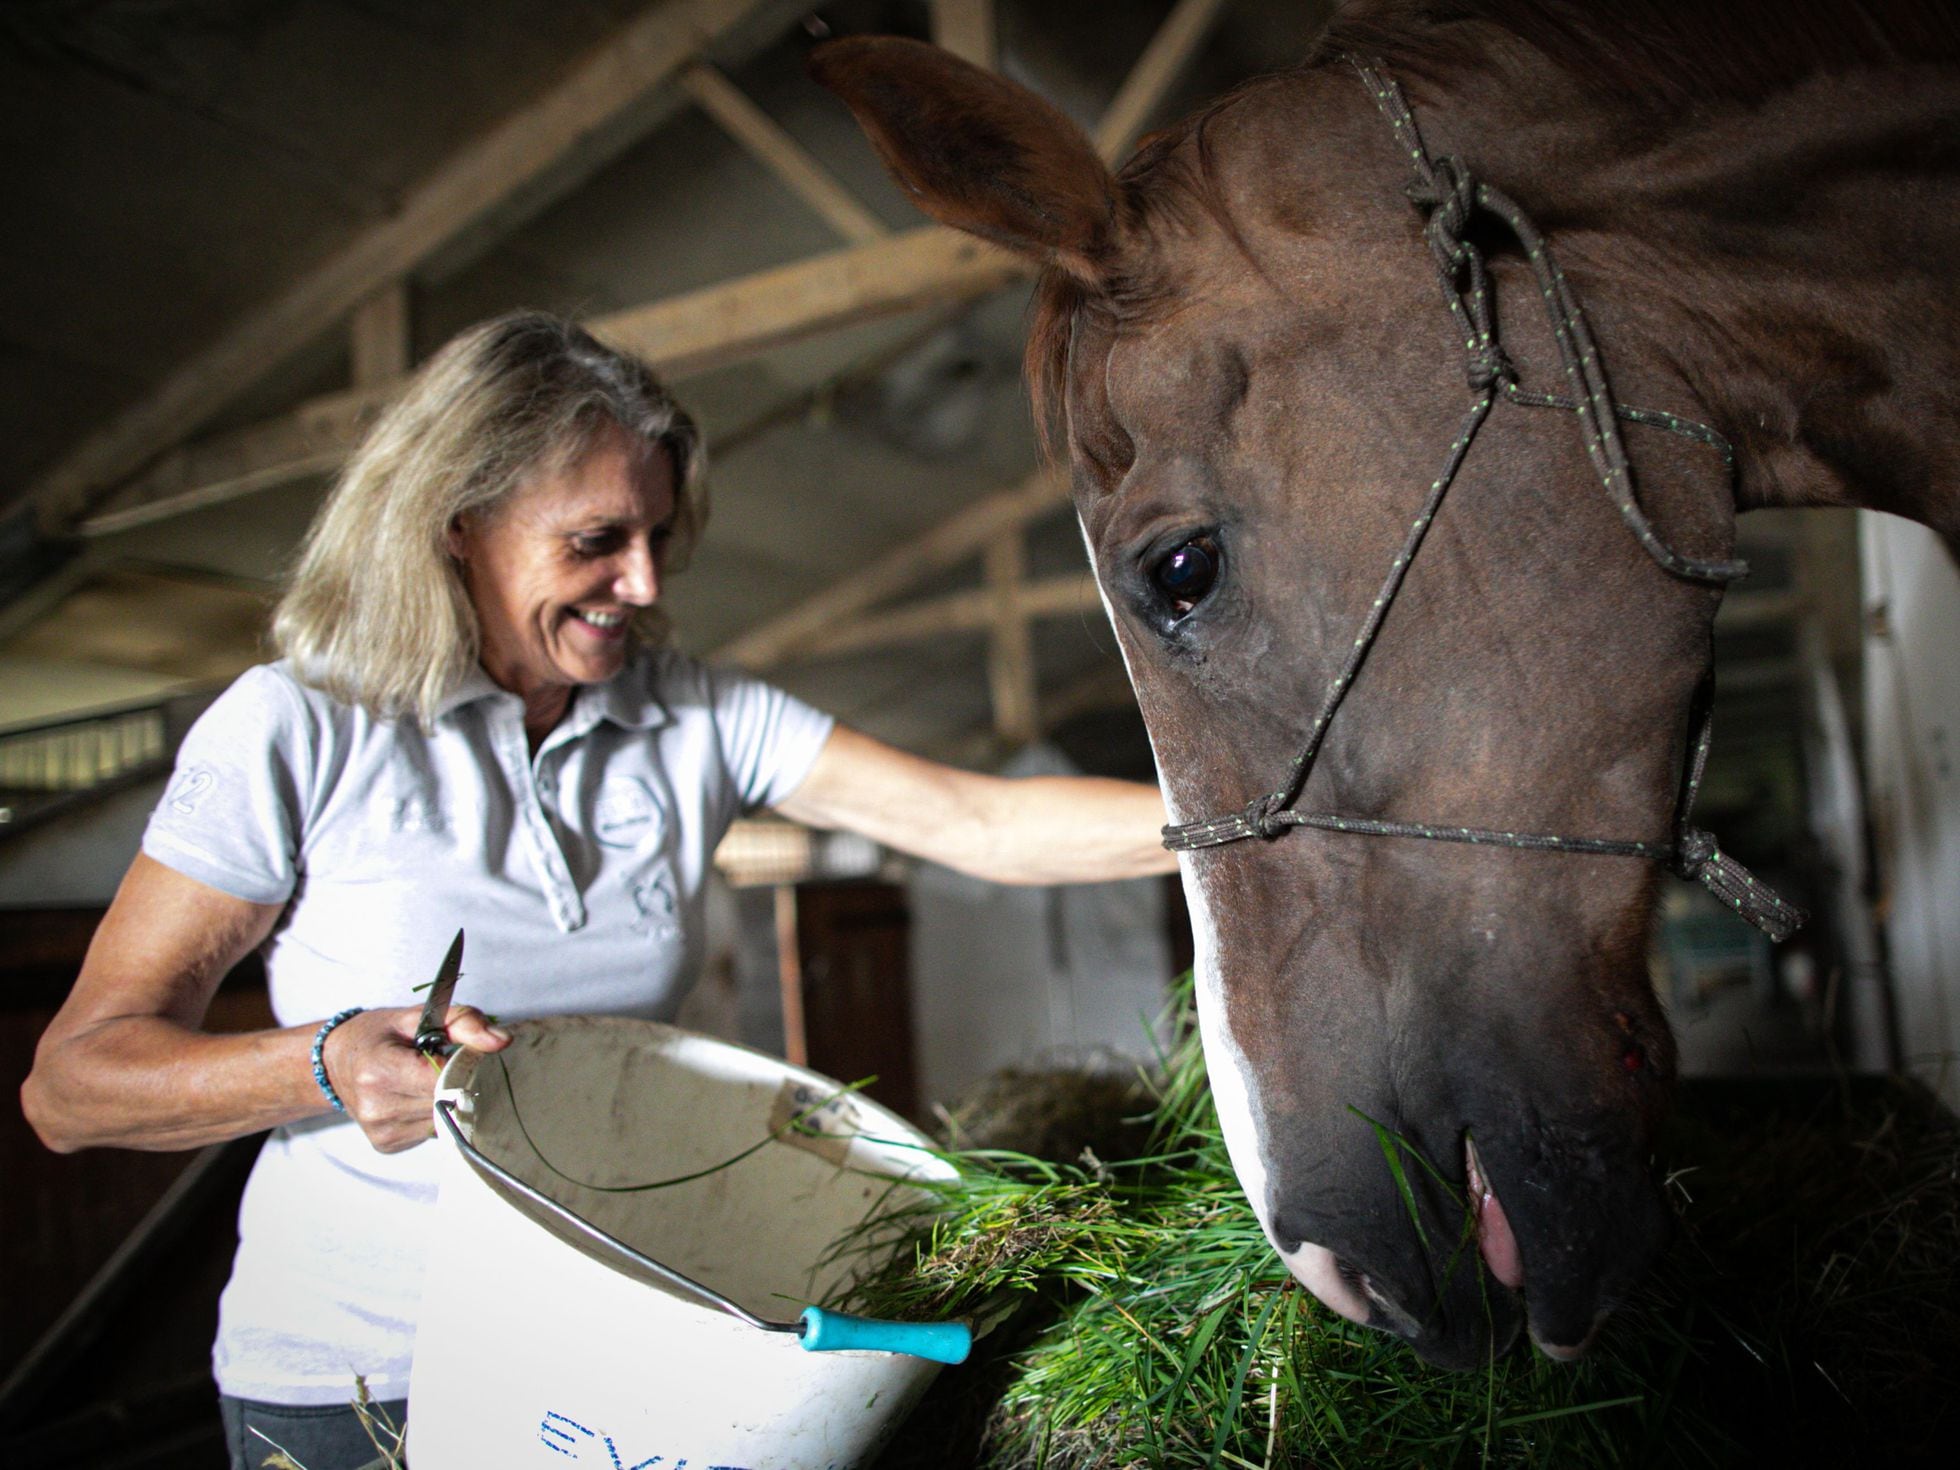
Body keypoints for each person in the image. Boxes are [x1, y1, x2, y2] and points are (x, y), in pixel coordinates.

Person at [20, 312, 1174, 1470]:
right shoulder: (303, 725)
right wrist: (320, 1062)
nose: (642, 579)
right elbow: (72, 1087)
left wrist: (1249, 821)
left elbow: (975, 819)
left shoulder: (697, 717)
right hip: (365, 1376)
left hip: (613, 1356)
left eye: (658, 535)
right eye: (595, 540)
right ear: (458, 523)